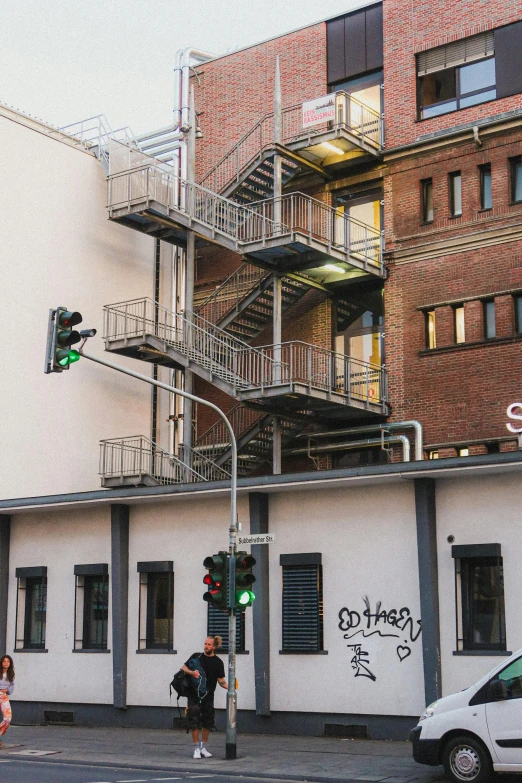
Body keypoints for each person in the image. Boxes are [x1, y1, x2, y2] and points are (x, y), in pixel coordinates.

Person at [181, 635, 227, 759]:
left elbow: (221, 681)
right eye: (205, 644)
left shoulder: (218, 662)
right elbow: (183, 667)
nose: (206, 646)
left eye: (209, 645)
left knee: (208, 721)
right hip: (193, 694)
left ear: (214, 646)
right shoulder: (197, 656)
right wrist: (191, 672)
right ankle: (196, 748)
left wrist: (231, 688)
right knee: (194, 720)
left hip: (208, 695)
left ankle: (203, 747)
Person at [0, 655, 14, 748]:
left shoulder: (11, 674)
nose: (6, 663)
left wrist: (7, 690)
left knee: (8, 718)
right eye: (4, 661)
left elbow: (11, 686)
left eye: (8, 661)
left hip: (4, 697)